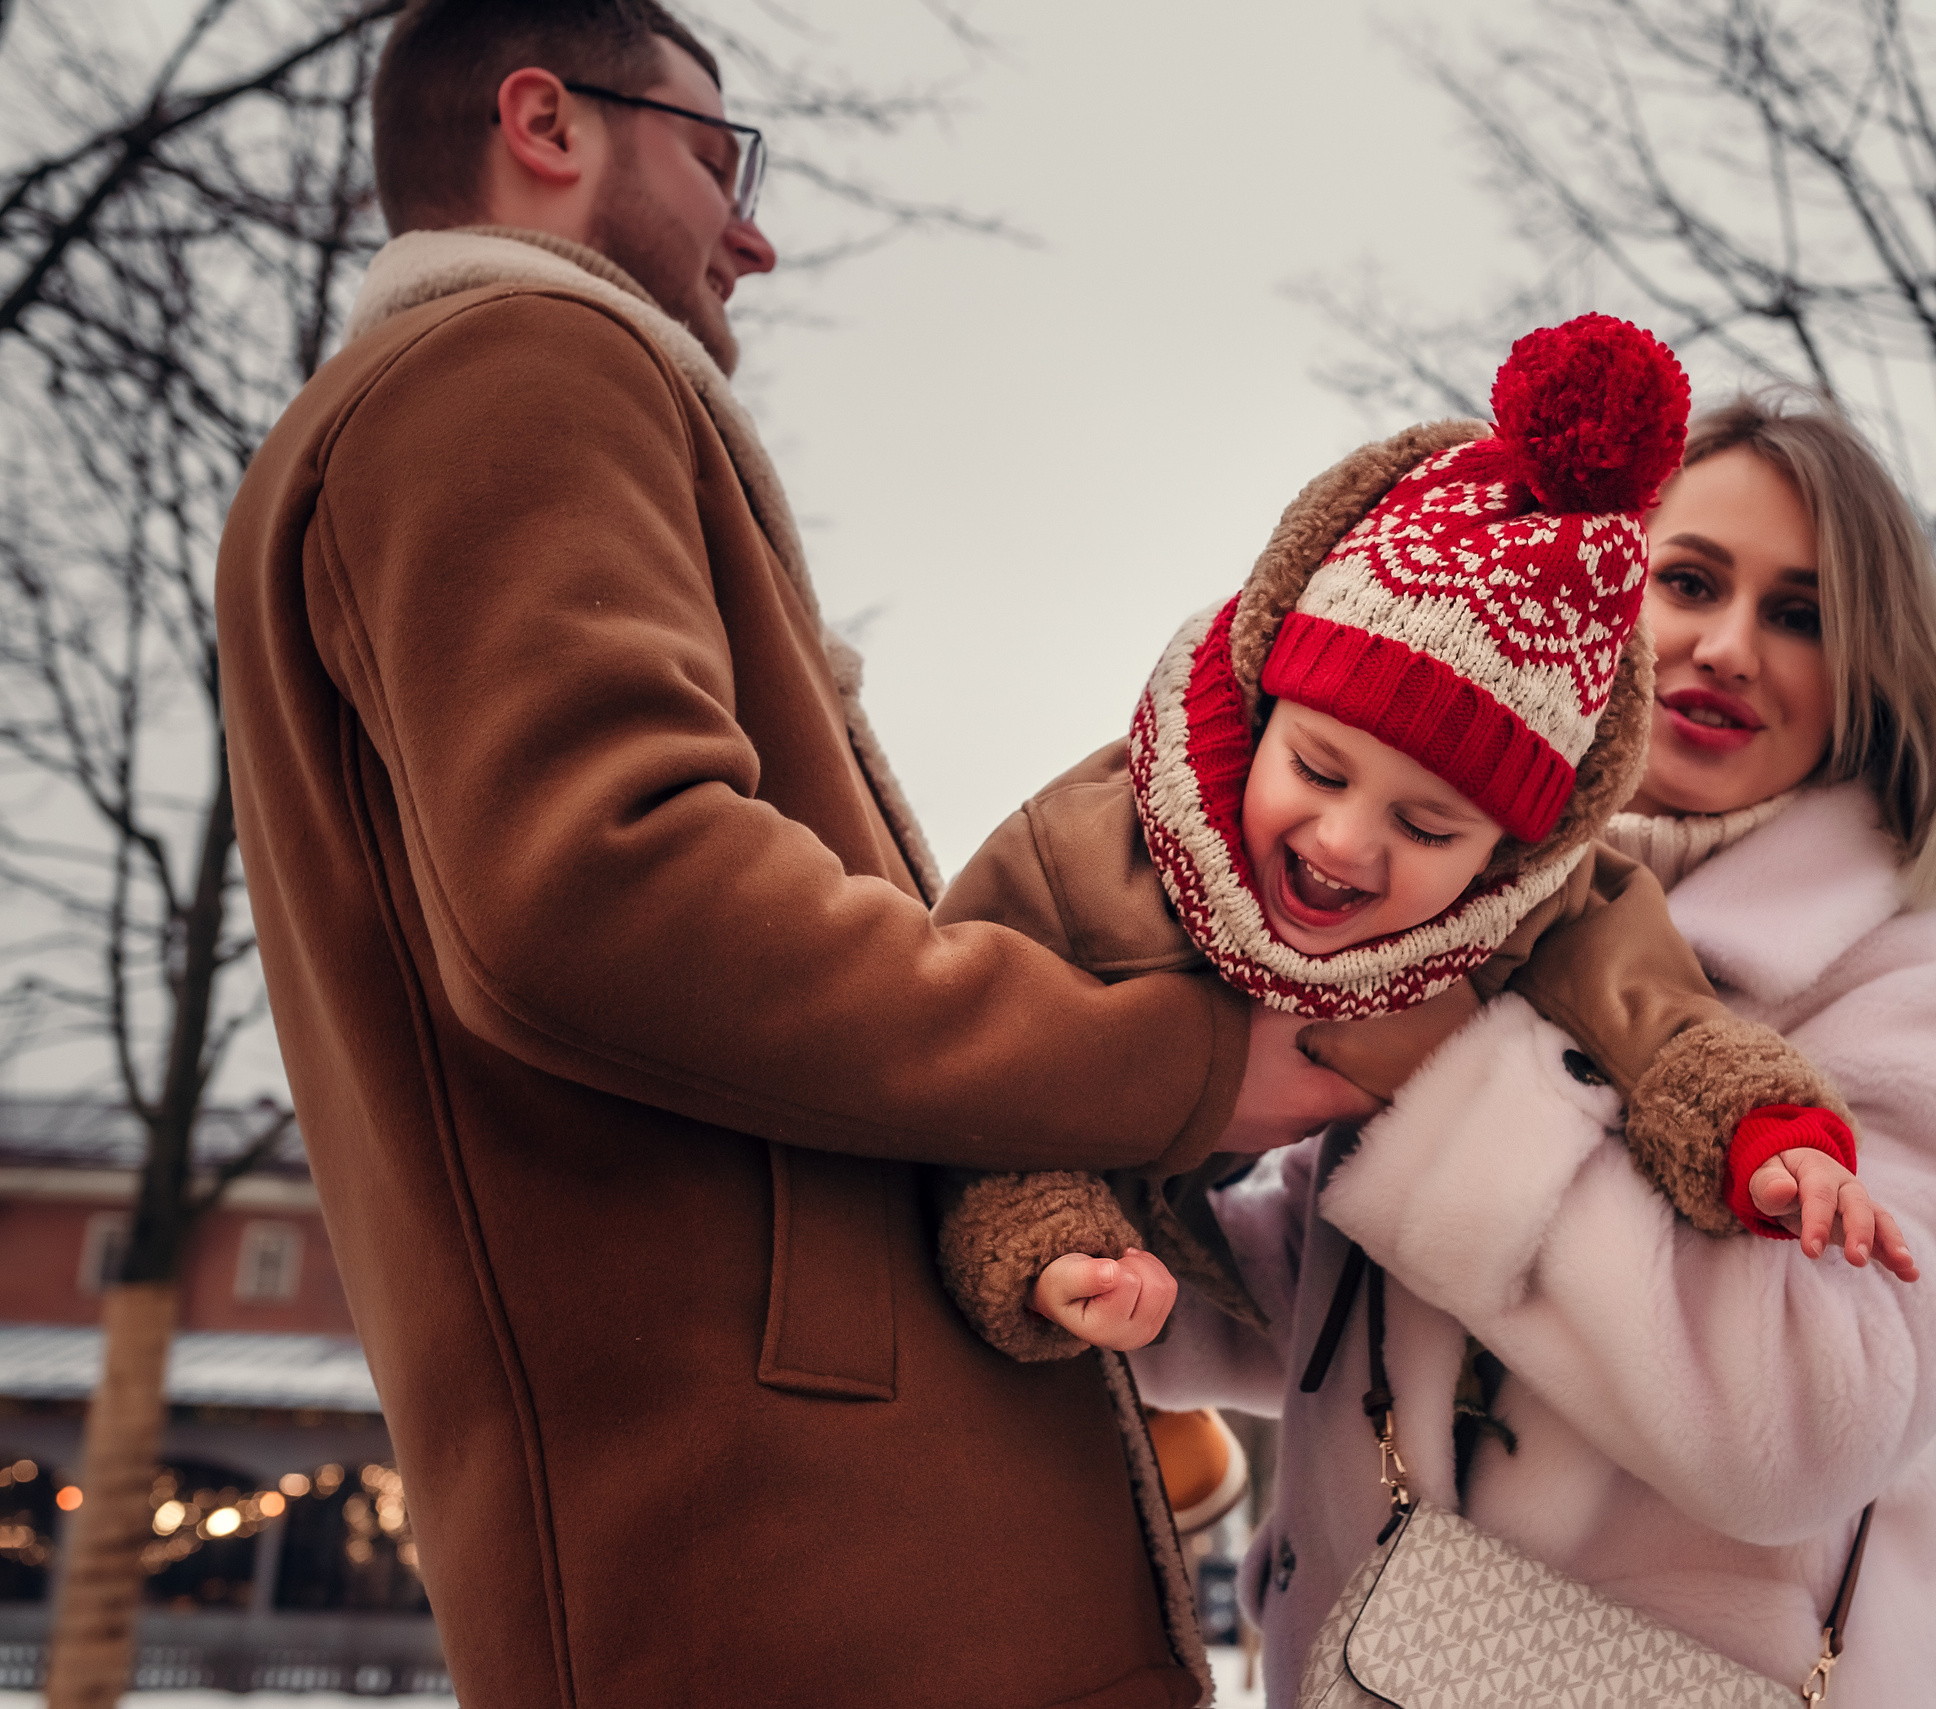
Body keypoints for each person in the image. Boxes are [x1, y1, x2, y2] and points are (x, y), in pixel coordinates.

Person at [214, 3, 1373, 1706]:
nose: (750, 233)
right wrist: (1184, 1061)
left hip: (768, 1548)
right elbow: (609, 887)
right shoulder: (514, 360)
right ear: (546, 121)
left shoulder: (439, 404)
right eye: (715, 156)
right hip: (796, 1556)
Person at [1134, 385, 1936, 1705]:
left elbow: (1801, 1419)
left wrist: (1442, 1082)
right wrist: (1137, 1170)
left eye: (1799, 615)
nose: (1728, 646)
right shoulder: (1472, 917)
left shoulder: (1913, 1000)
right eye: (1689, 580)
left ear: (1872, 670)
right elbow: (1334, 1296)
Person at [927, 320, 1913, 1387]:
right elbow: (960, 1014)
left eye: (1430, 827)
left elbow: (1659, 1017)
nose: (1345, 841)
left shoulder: (1559, 904)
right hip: (1058, 1170)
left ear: (1508, 851)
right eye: (1317, 768)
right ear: (1266, 716)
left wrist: (1759, 1127)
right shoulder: (1105, 838)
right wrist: (1079, 1239)